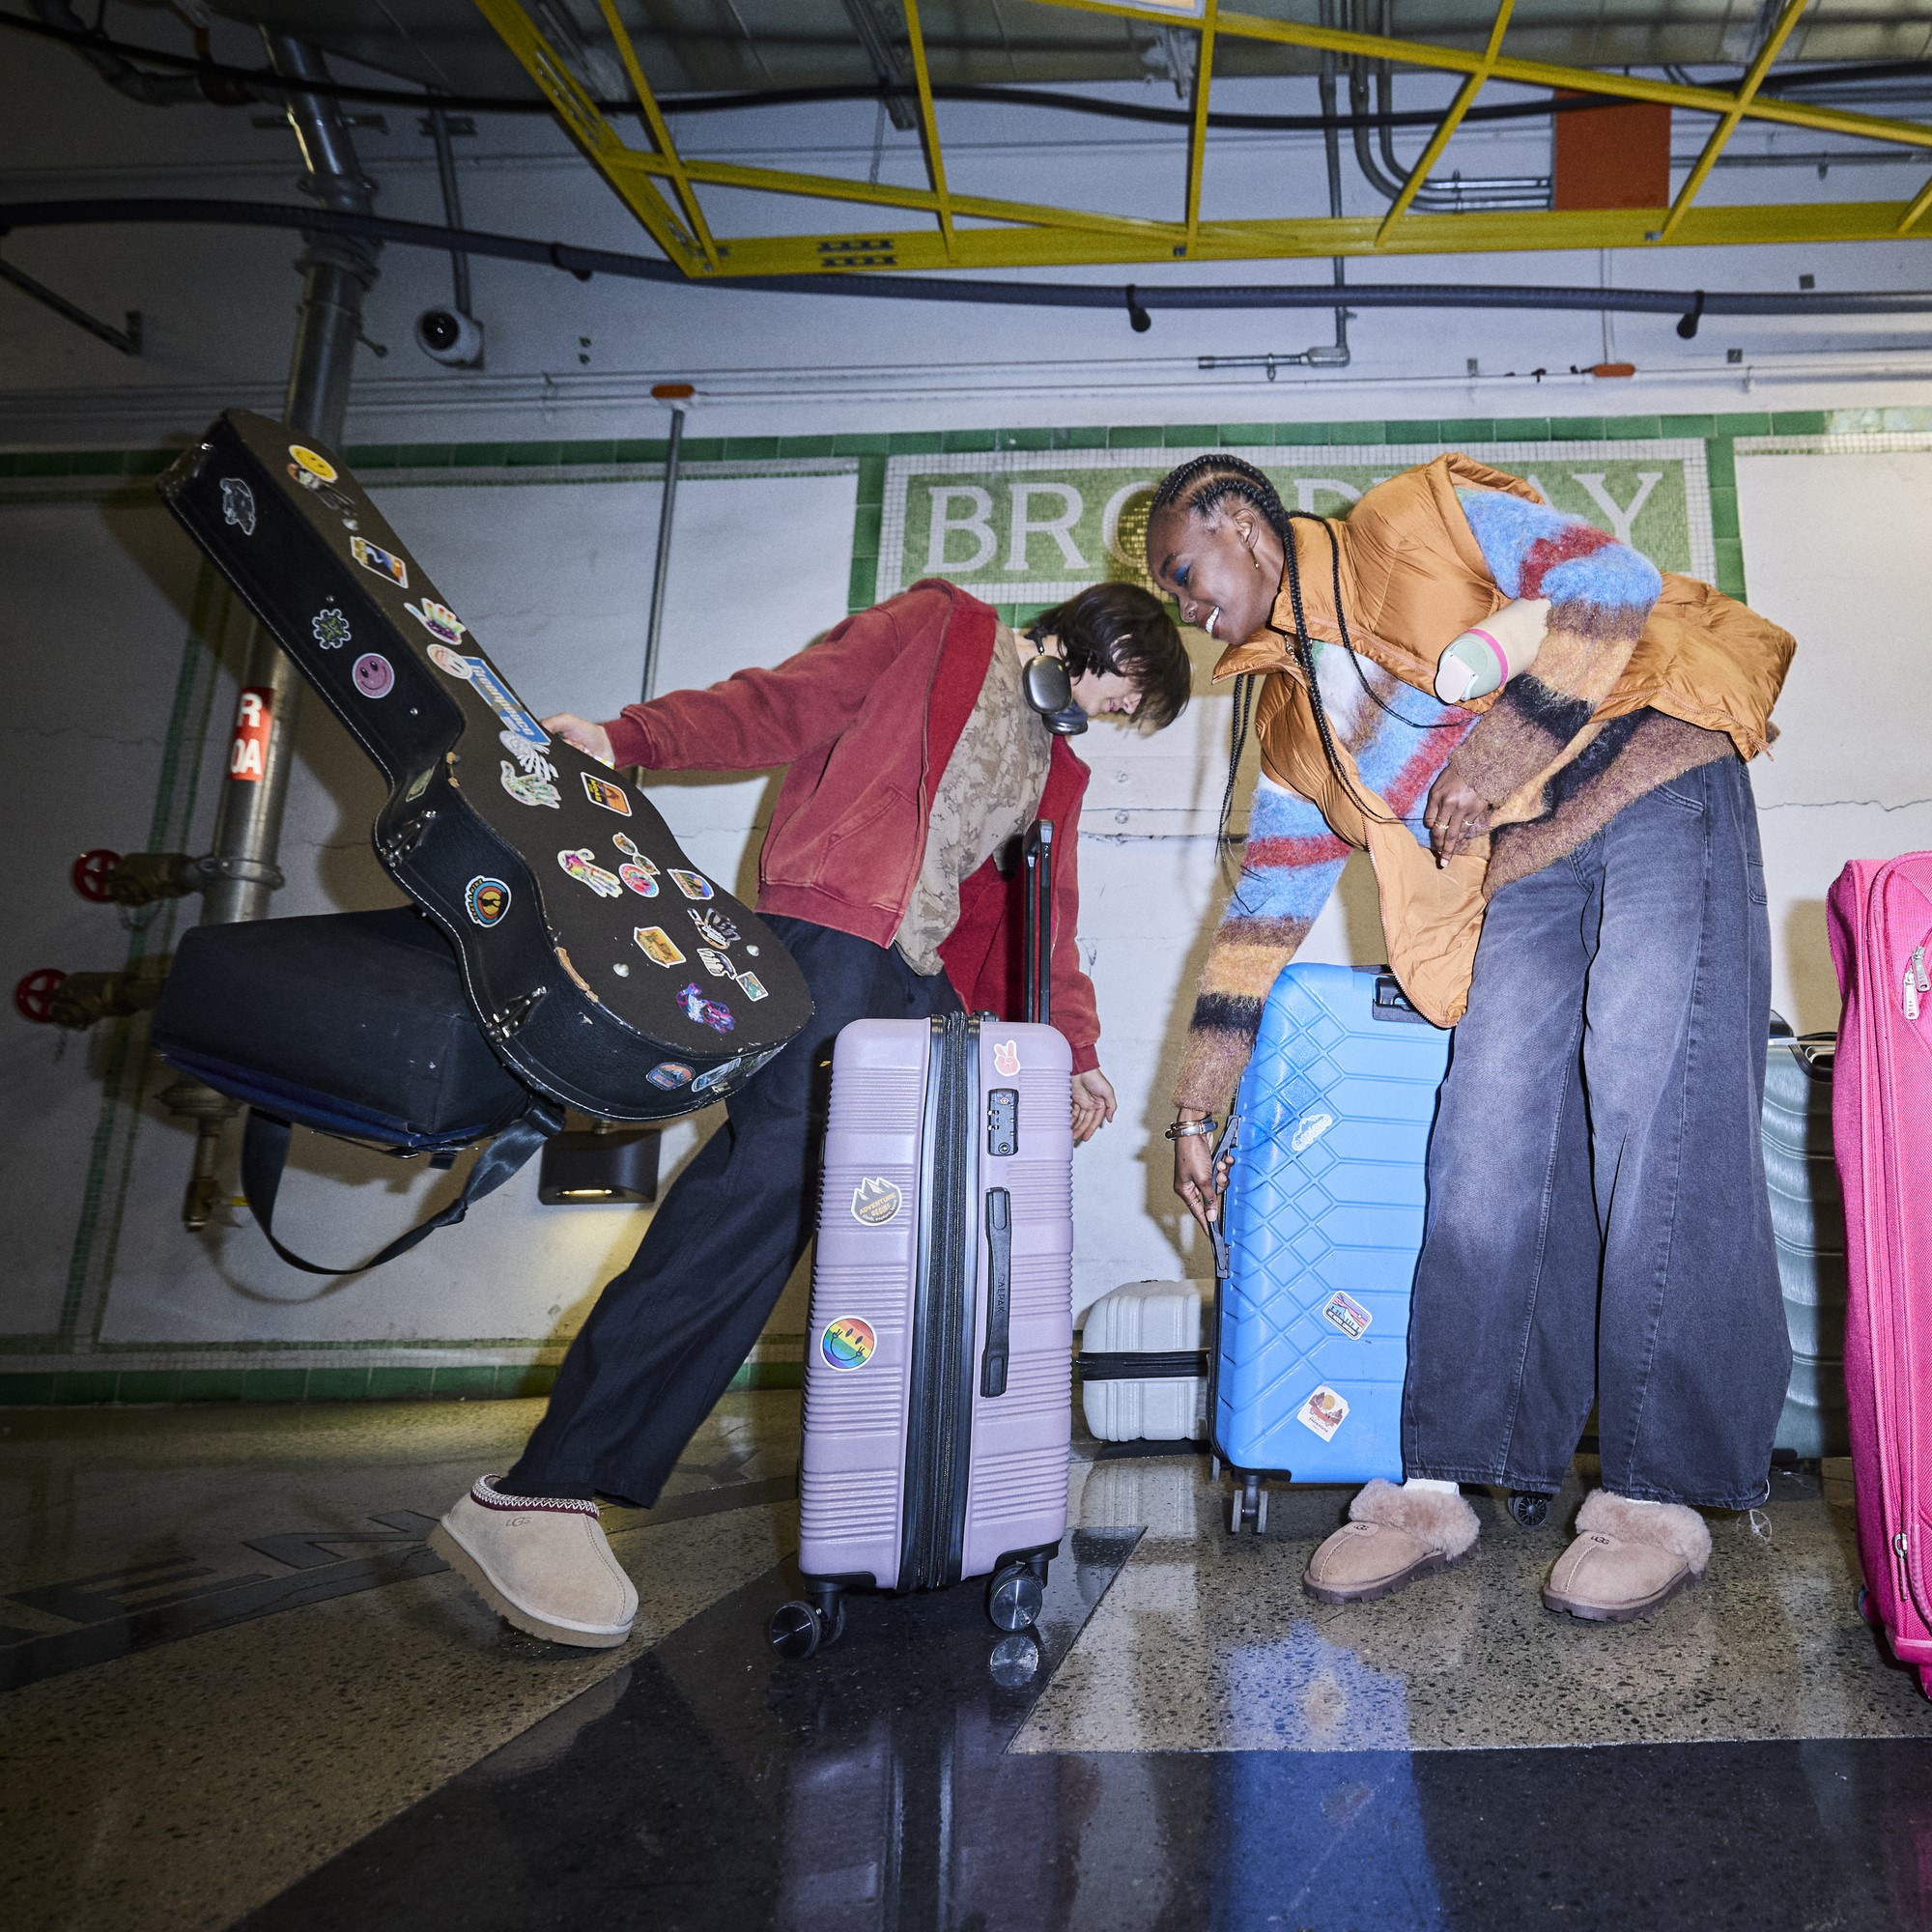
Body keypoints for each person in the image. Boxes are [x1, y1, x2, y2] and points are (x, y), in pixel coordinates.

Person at [432, 576, 1193, 1647]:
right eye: (1127, 695)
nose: (1114, 718)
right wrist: (629, 735)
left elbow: (1042, 913)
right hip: (829, 944)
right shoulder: (943, 626)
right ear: (1106, 641)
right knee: (764, 1196)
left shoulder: (1052, 763)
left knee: (923, 1226)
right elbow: (789, 698)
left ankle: (912, 1484)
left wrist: (1070, 1050)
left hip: (916, 979)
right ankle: (541, 1492)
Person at [1144, 451, 1795, 1625]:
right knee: (1479, 1152)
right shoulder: (1294, 718)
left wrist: (1488, 757)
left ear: (1241, 521)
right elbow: (1260, 917)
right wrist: (1194, 1107)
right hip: (1527, 858)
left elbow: (1611, 579)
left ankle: (1660, 1494)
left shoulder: (1416, 516)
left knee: (1657, 1113)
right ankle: (1438, 1478)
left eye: (1184, 571)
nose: (1186, 608)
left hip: (1654, 766)